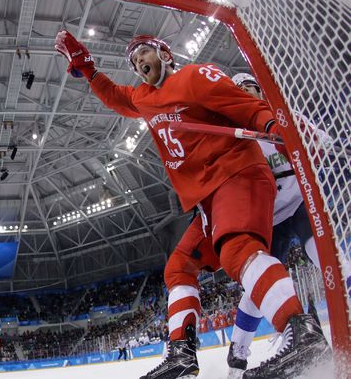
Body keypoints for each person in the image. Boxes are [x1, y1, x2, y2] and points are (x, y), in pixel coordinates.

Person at [54, 31, 329, 379]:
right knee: (178, 267)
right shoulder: (143, 96)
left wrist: (274, 126)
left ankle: (300, 329)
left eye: (143, 52)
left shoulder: (194, 76)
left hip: (236, 174)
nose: (138, 61)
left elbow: (243, 105)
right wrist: (88, 68)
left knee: (237, 251)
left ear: (166, 55)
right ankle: (182, 355)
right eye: (134, 61)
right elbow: (114, 97)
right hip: (207, 201)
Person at [226, 73, 347, 378]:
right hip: (267, 217)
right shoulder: (233, 134)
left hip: (300, 201)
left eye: (249, 88)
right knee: (258, 283)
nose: (246, 95)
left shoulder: (283, 115)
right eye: (239, 92)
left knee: (328, 256)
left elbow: (324, 142)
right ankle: (238, 351)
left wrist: (303, 142)